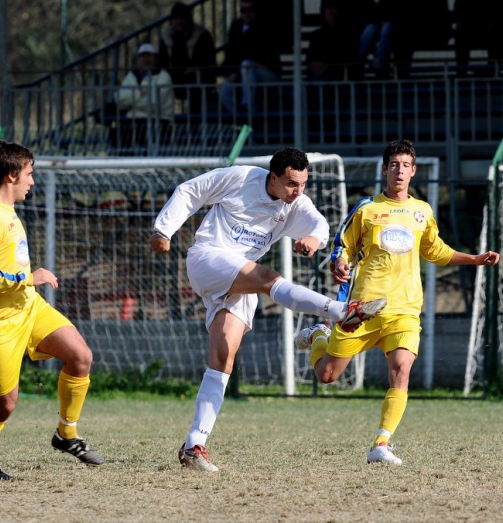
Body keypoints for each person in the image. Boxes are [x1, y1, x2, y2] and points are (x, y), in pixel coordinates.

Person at [150, 147, 387, 472]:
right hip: (208, 258)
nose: (298, 191)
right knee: (269, 278)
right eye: (291, 183)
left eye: (303, 184)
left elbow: (319, 224)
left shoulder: (295, 203)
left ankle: (194, 445)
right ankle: (340, 311)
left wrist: (313, 240)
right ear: (273, 177)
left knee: (223, 356)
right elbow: (191, 190)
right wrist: (163, 230)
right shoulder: (241, 177)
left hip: (240, 278)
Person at [295, 140, 500, 465]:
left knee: (401, 370)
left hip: (405, 310)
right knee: (327, 375)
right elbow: (342, 246)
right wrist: (340, 263)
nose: (400, 171)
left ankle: (381, 444)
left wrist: (475, 259)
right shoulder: (367, 209)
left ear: (413, 171)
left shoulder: (422, 211)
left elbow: (436, 251)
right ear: (384, 169)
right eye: (394, 165)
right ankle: (320, 334)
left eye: (405, 165)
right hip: (362, 309)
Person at [0, 141, 104, 481]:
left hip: (29, 308)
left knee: (80, 356)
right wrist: (28, 277)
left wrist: (26, 284)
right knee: (5, 404)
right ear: (11, 176)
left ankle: (66, 434)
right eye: (29, 173)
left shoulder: (9, 211)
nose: (32, 181)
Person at [219, 0, 283, 116]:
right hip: (241, 73)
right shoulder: (236, 26)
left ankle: (249, 107)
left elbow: (261, 53)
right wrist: (232, 72)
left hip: (266, 72)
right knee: (225, 91)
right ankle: (241, 119)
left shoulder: (265, 26)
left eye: (251, 10)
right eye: (243, 10)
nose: (247, 14)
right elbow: (231, 52)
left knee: (247, 64)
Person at [113, 43, 174, 155]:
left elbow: (153, 103)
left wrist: (130, 100)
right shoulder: (131, 76)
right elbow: (119, 99)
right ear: (138, 59)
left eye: (149, 56)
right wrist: (138, 94)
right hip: (133, 121)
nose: (146, 60)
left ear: (155, 59)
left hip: (158, 121)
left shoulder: (164, 76)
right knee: (117, 135)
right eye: (143, 56)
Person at [158, 2, 217, 118]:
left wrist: (195, 70)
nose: (179, 22)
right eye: (176, 19)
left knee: (194, 84)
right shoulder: (166, 36)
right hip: (173, 77)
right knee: (159, 82)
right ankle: (165, 121)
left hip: (197, 77)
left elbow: (208, 61)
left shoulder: (202, 35)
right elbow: (161, 61)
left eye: (182, 18)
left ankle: (194, 122)